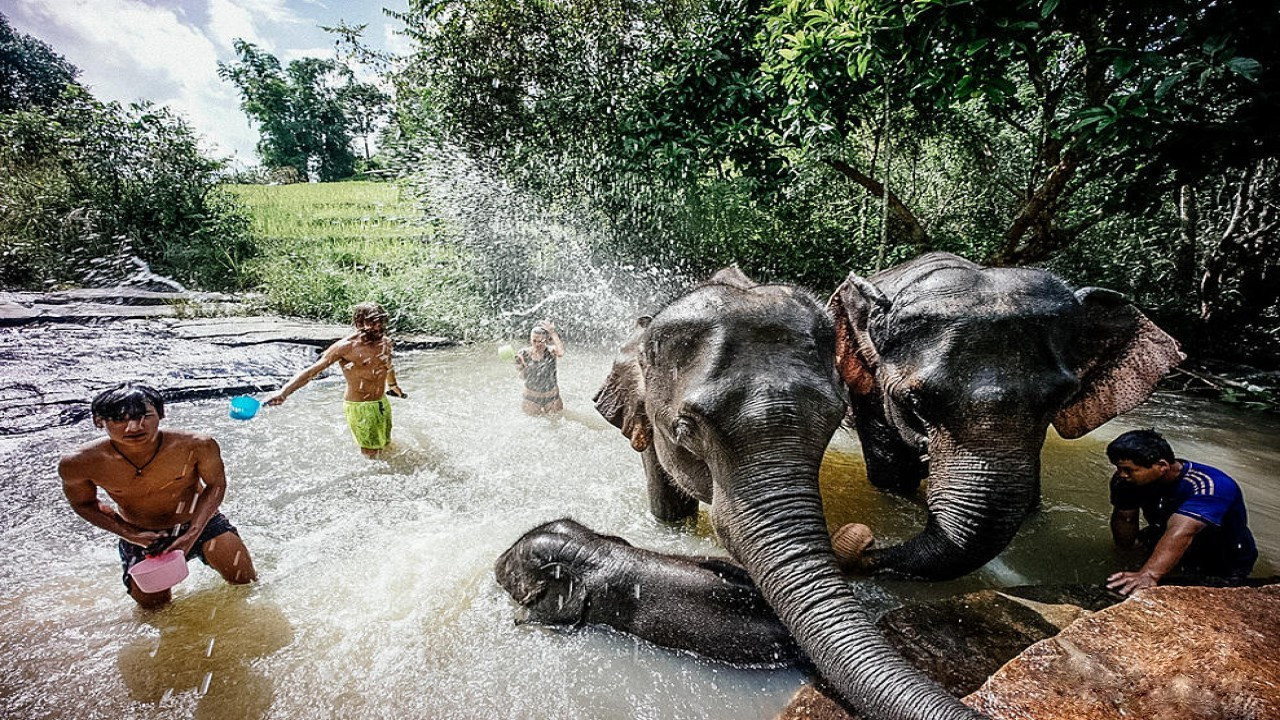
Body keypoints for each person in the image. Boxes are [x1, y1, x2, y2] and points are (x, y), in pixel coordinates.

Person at [59, 383, 257, 608]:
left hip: (201, 523)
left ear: (161, 414)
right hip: (142, 536)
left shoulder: (197, 445)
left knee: (248, 585)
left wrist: (192, 533)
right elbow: (84, 504)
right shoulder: (79, 462)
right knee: (155, 611)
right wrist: (132, 535)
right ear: (98, 421)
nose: (134, 427)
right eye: (119, 419)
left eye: (145, 416)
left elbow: (216, 485)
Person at [1104, 428, 1258, 595]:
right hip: (1164, 535)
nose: (1122, 475)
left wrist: (1149, 574)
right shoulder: (1126, 481)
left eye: (1129, 470)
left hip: (1221, 554)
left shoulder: (1211, 486)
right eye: (1119, 468)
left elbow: (1183, 531)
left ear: (1162, 466)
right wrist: (1124, 556)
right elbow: (1125, 518)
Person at [265, 301, 406, 457]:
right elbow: (312, 371)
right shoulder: (345, 347)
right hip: (360, 407)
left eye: (381, 322)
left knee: (386, 444)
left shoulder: (385, 341)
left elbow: (387, 364)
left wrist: (393, 385)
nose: (378, 327)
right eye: (373, 323)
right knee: (371, 453)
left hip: (381, 402)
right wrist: (284, 393)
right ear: (359, 323)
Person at [515, 319, 565, 415]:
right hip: (531, 399)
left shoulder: (551, 351)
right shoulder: (523, 353)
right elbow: (522, 377)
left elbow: (561, 352)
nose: (537, 344)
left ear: (546, 340)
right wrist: (521, 366)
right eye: (534, 341)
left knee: (556, 424)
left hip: (552, 398)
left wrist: (552, 333)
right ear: (530, 340)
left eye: (540, 341)